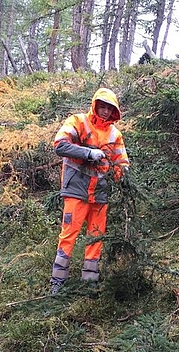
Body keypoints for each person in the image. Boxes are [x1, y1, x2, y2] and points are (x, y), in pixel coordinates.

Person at [50, 88, 130, 295]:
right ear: (95, 105)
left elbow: (120, 162)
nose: (105, 111)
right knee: (69, 234)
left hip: (100, 193)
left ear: (114, 111)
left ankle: (90, 281)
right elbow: (60, 145)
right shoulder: (78, 121)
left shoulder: (115, 134)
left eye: (109, 108)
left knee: (96, 236)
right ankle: (57, 282)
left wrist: (124, 176)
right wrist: (88, 153)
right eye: (102, 106)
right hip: (77, 190)